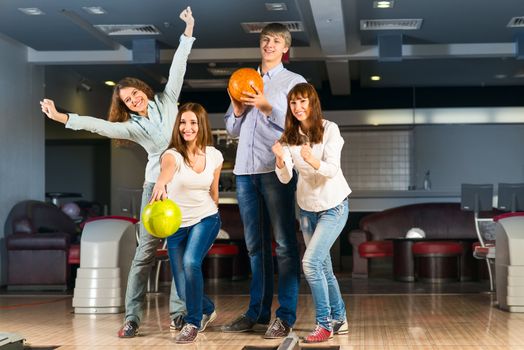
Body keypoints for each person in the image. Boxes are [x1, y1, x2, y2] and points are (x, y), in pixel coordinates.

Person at [40, 6, 196, 339]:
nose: (133, 99)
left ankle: (180, 314)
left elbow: (178, 67)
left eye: (135, 92)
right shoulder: (131, 128)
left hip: (182, 184)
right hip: (155, 187)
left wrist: (187, 33)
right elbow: (99, 127)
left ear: (143, 90)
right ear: (125, 106)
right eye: (127, 99)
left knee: (180, 253)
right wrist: (64, 118)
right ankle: (132, 317)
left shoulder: (169, 102)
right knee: (145, 253)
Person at [221, 23, 306, 339]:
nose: (269, 44)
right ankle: (257, 312)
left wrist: (267, 106)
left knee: (284, 245)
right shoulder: (243, 79)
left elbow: (297, 124)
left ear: (285, 47)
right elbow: (231, 129)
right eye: (265, 39)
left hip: (276, 170)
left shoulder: (293, 82)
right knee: (255, 246)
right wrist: (238, 107)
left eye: (276, 40)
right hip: (244, 172)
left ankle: (285, 316)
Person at [272, 83, 351, 343]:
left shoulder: (330, 130)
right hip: (307, 209)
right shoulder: (289, 136)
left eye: (302, 101)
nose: (298, 107)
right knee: (323, 267)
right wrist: (281, 160)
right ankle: (339, 317)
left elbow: (331, 169)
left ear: (312, 103)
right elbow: (284, 179)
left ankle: (324, 324)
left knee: (310, 263)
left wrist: (310, 158)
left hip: (334, 206)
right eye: (293, 103)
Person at [150, 102, 223, 344]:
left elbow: (214, 192)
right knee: (182, 289)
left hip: (206, 218)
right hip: (177, 226)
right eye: (183, 122)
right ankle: (207, 309)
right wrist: (160, 183)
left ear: (201, 125)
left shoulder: (214, 155)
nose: (187, 127)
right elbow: (167, 171)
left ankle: (192, 323)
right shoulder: (171, 155)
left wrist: (214, 210)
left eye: (192, 122)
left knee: (192, 262)